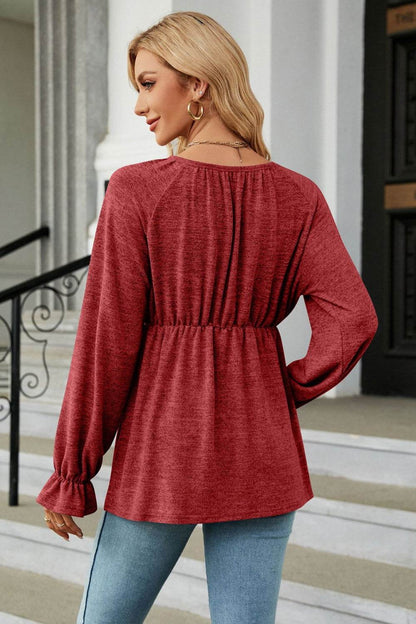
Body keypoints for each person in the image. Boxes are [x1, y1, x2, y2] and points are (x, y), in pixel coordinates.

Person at [36, 10, 379, 624]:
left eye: (148, 83)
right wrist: (280, 390)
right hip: (263, 454)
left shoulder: (137, 190)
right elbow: (353, 318)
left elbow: (106, 344)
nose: (139, 105)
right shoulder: (298, 195)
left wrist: (73, 472)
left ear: (197, 83)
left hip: (162, 454)